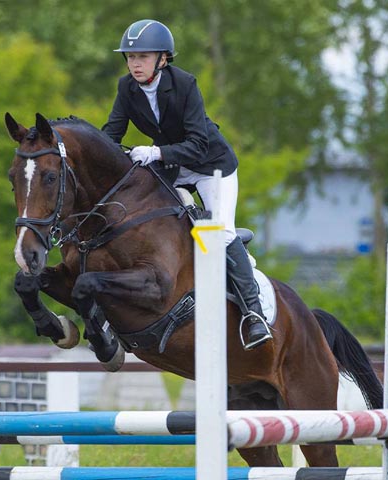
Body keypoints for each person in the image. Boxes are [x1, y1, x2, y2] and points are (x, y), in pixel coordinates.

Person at [102, 19, 271, 350]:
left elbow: (199, 144)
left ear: (163, 59)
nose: (135, 64)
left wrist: (155, 151)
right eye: (131, 57)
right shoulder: (127, 88)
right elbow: (111, 135)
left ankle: (254, 314)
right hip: (172, 167)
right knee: (142, 218)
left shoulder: (185, 85)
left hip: (211, 166)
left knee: (219, 231)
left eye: (143, 57)